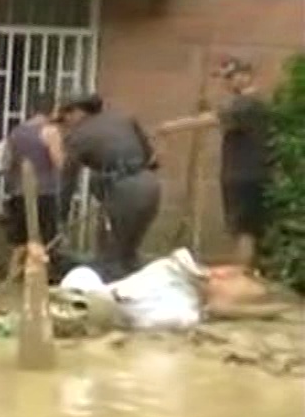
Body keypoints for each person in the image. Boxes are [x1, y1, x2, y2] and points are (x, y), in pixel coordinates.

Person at [158, 58, 272, 270]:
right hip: (245, 172)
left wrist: (171, 126)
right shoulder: (246, 102)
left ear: (246, 75)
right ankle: (247, 274)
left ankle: (242, 277)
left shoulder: (246, 103)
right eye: (224, 78)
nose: (226, 83)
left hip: (245, 174)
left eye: (230, 77)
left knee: (244, 230)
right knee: (242, 229)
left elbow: (212, 119)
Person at [58, 92, 161, 281]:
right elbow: (151, 158)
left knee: (112, 254)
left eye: (65, 117)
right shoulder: (124, 119)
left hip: (124, 192)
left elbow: (67, 181)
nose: (65, 124)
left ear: (77, 112)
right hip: (150, 185)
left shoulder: (79, 136)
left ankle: (113, 293)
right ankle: (134, 287)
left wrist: (60, 218)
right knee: (128, 250)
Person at [1, 91, 65, 280]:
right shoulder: (50, 131)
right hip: (44, 192)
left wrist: (11, 183)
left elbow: (7, 161)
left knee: (19, 241)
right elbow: (58, 161)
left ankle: (12, 275)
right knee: (44, 239)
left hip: (18, 191)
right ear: (53, 110)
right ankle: (40, 277)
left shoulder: (16, 131)